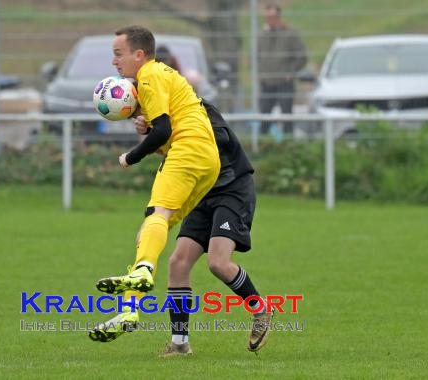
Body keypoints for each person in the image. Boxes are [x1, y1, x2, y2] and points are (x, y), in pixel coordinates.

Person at [88, 25, 221, 343]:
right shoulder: (161, 76)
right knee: (150, 230)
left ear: (139, 54)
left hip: (188, 151)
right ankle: (129, 309)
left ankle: (144, 270)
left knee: (156, 218)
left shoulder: (149, 75)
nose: (114, 62)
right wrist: (147, 126)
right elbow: (163, 129)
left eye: (118, 54)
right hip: (207, 160)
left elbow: (163, 131)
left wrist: (130, 157)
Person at [126, 101, 274, 357]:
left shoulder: (196, 107)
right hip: (201, 191)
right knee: (178, 262)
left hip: (232, 187)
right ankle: (180, 343)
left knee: (218, 262)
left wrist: (162, 132)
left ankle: (260, 308)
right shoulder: (161, 116)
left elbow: (220, 138)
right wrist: (152, 131)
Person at [258, 1, 307, 135]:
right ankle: (262, 147)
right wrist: (260, 74)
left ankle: (288, 147)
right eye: (267, 17)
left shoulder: (290, 34)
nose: (269, 20)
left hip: (284, 84)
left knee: (287, 118)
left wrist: (291, 71)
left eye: (272, 17)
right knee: (264, 119)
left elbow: (302, 56)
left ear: (278, 17)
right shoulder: (261, 35)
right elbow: (256, 57)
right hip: (266, 84)